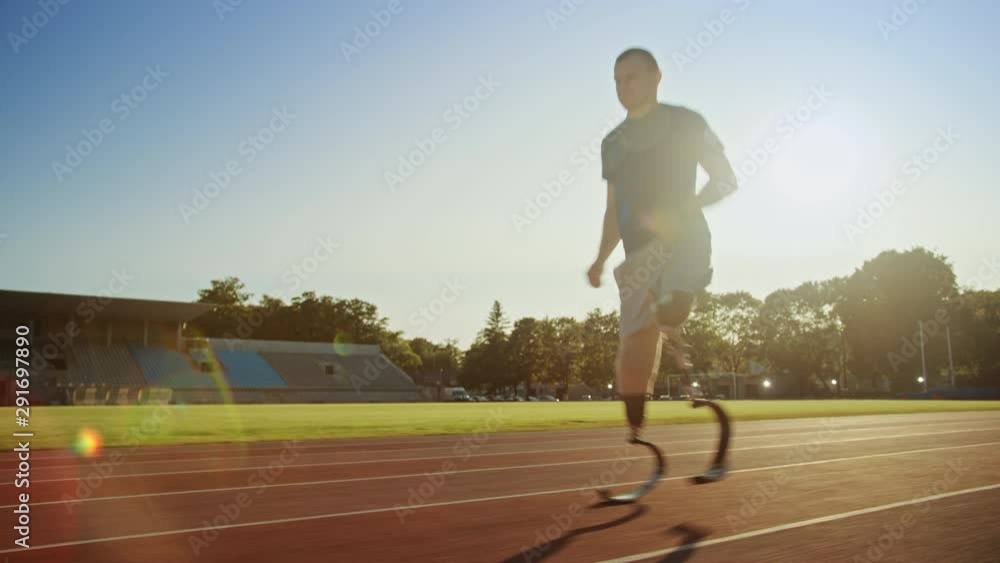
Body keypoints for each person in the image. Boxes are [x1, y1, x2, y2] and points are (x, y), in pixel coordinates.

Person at [587, 48, 738, 450]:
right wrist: (601, 258)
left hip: (682, 239)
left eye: (632, 77)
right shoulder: (613, 143)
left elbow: (725, 180)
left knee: (671, 305)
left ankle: (677, 298)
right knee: (633, 346)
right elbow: (613, 210)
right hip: (636, 257)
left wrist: (685, 207)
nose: (624, 87)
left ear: (657, 76)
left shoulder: (687, 122)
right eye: (617, 80)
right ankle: (637, 433)